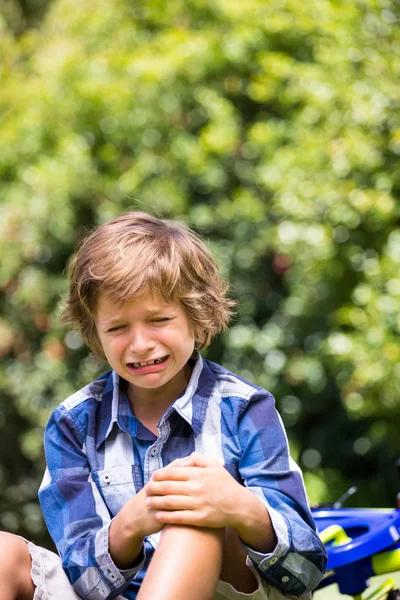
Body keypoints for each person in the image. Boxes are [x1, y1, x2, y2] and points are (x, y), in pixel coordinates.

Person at [0, 212, 326, 600]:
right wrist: (130, 526)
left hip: (225, 591)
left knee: (192, 512)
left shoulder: (243, 410)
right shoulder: (73, 425)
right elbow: (84, 583)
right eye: (118, 328)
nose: (140, 344)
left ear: (196, 314)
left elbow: (305, 571)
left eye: (159, 320)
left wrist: (241, 508)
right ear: (95, 331)